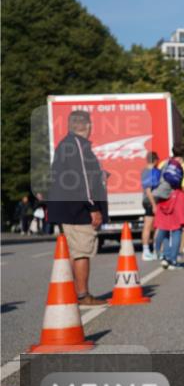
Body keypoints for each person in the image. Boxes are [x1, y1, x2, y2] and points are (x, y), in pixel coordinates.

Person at [47, 109, 108, 306]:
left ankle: (75, 293)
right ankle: (82, 295)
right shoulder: (77, 145)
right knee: (82, 251)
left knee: (75, 251)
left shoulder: (66, 144)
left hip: (68, 207)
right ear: (86, 126)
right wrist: (93, 207)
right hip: (77, 209)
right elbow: (80, 178)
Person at [154, 153, 184, 270]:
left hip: (163, 198)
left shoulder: (163, 164)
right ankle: (173, 260)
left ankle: (165, 256)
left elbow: (156, 181)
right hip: (177, 197)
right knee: (176, 231)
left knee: (164, 229)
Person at [140, 151, 160, 260]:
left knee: (151, 226)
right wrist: (154, 205)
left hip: (148, 201)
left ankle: (149, 250)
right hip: (150, 201)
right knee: (151, 226)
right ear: (155, 160)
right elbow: (148, 189)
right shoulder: (150, 172)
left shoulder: (146, 171)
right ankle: (148, 250)